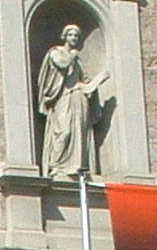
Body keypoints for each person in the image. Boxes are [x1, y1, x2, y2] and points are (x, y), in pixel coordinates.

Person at [36, 22, 107, 179]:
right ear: (65, 36)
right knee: (64, 131)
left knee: (79, 132)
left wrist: (97, 80)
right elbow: (61, 64)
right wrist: (72, 56)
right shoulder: (56, 52)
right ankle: (57, 166)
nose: (73, 38)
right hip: (62, 97)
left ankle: (77, 165)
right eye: (70, 35)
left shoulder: (78, 59)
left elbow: (84, 79)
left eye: (76, 36)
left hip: (78, 98)